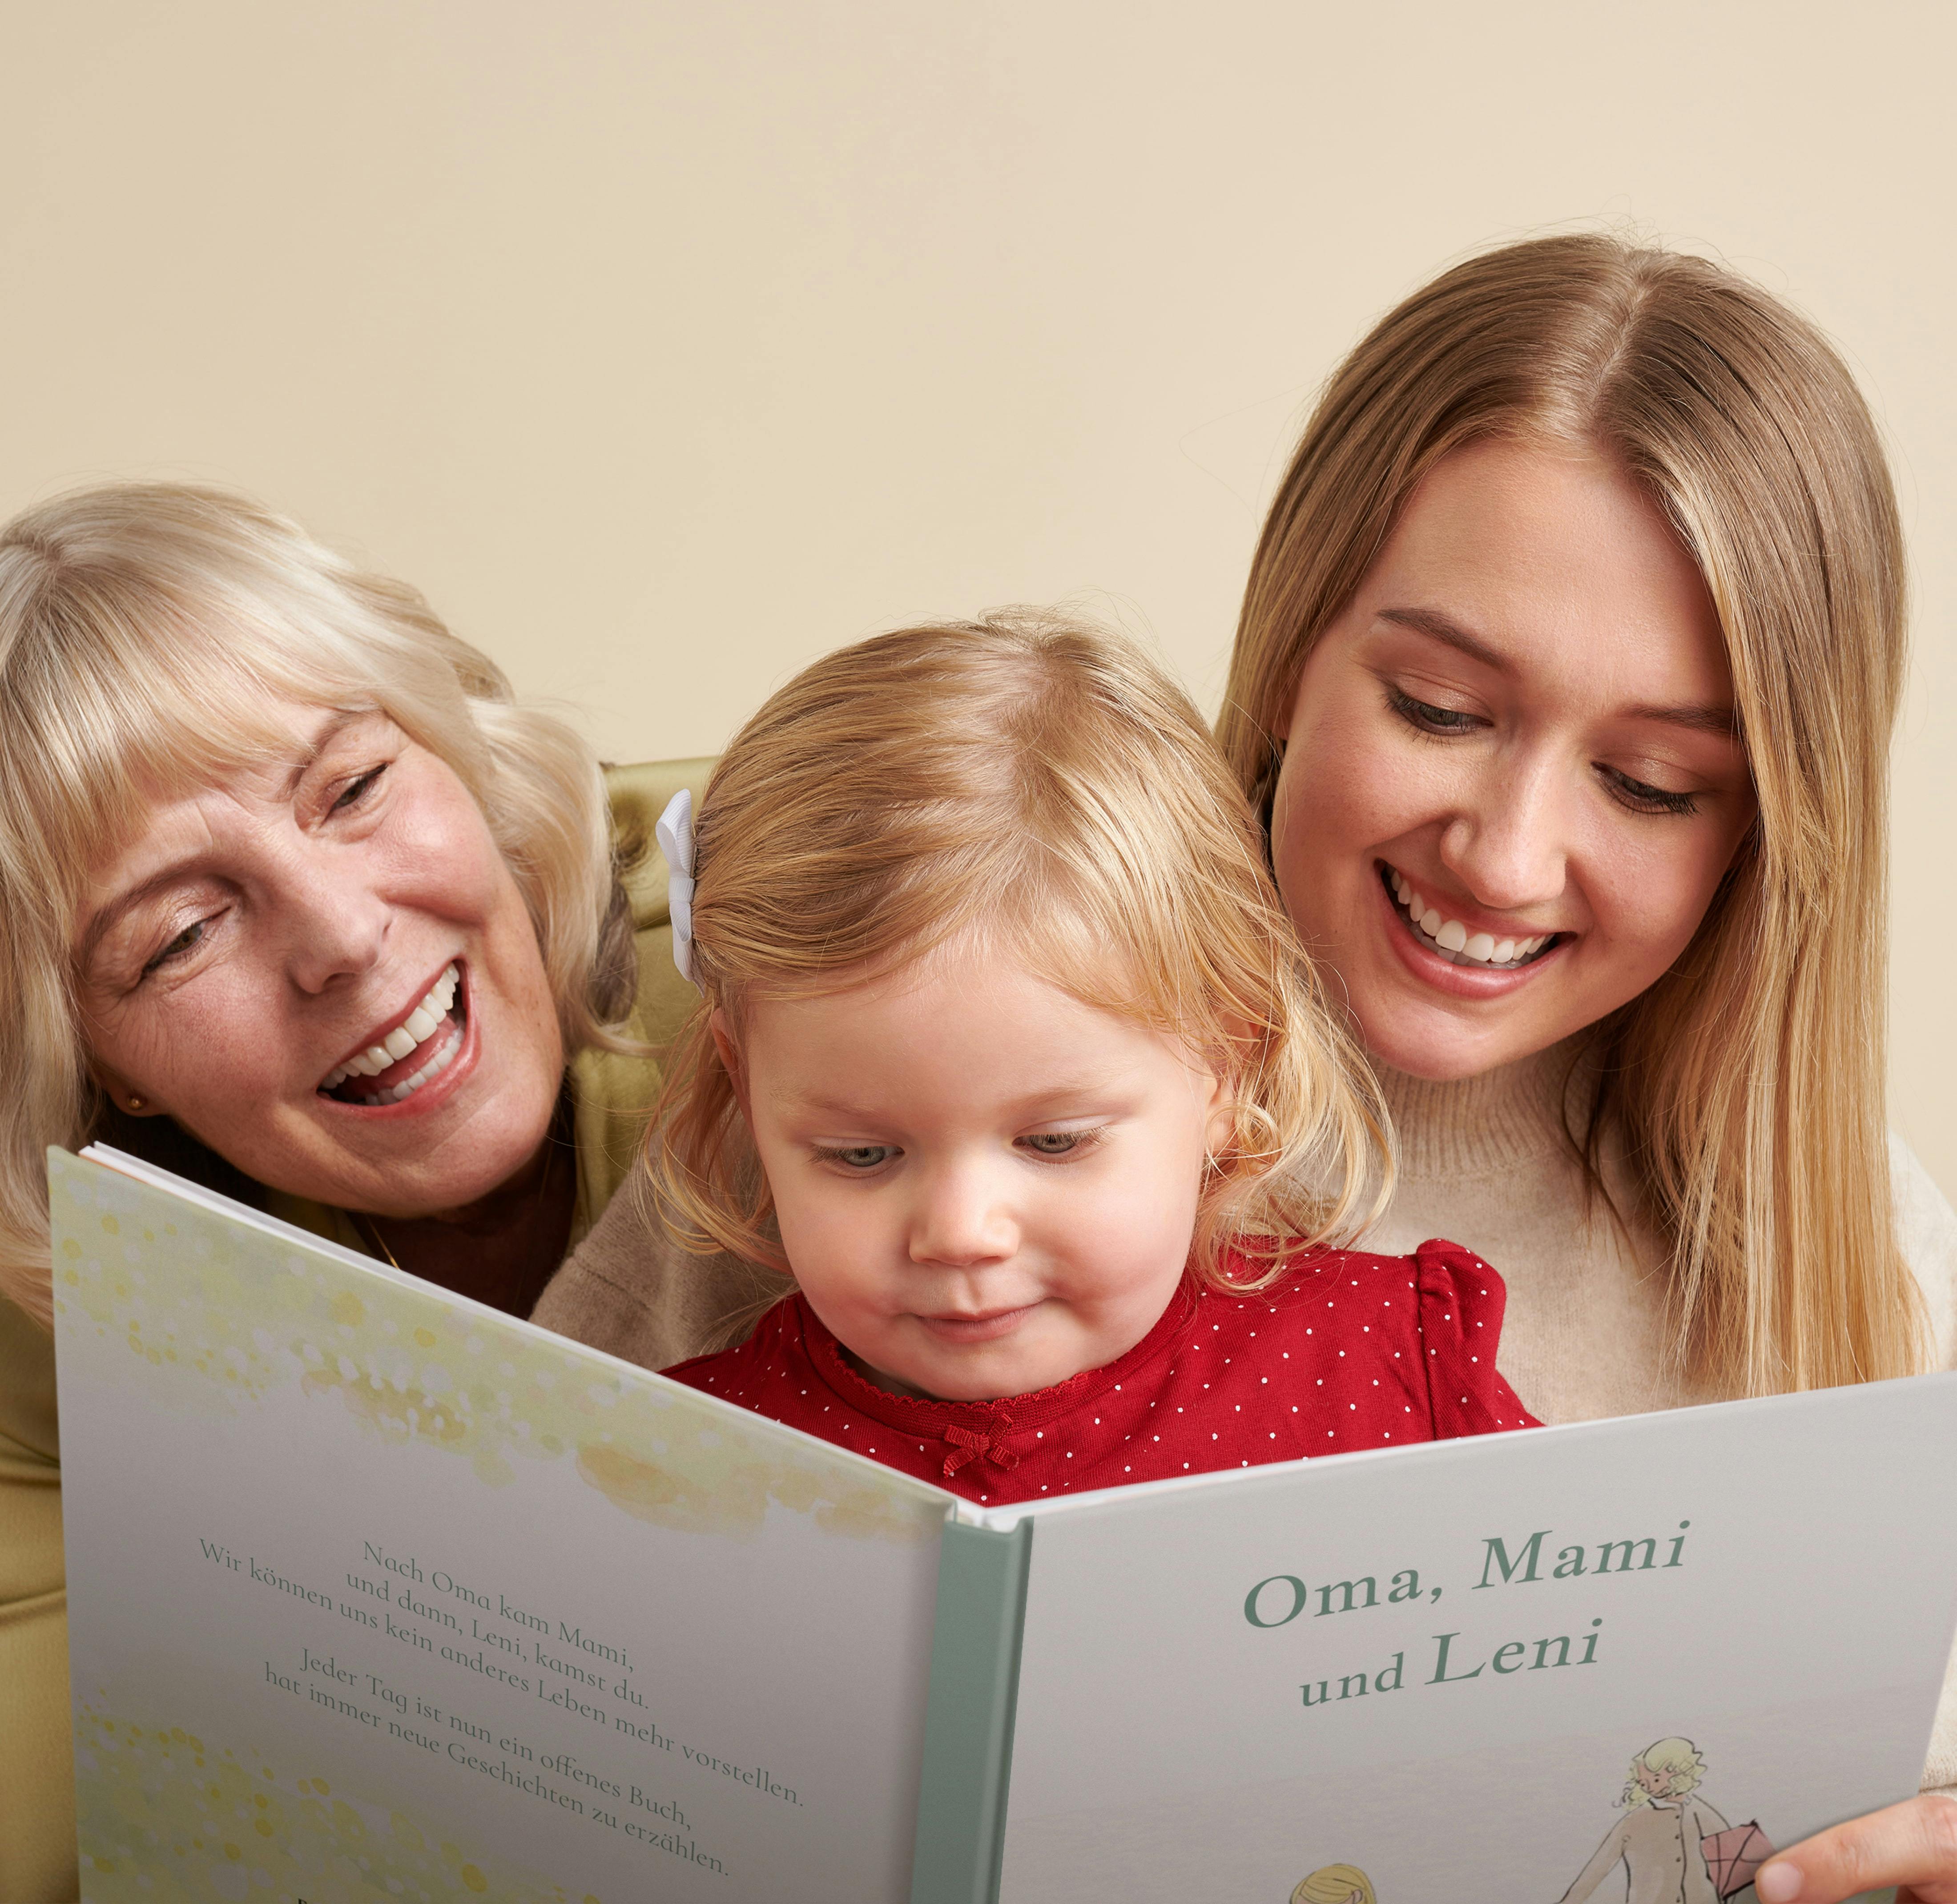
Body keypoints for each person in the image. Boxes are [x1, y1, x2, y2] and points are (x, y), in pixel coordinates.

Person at [1213, 234, 1957, 1899]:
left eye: (1653, 785)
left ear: (1764, 839)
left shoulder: (1844, 1252)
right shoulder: (935, 1077)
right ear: (1287, 655)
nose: (1509, 855)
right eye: (1439, 705)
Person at [0, 483, 761, 1900]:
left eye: (352, 788)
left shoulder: (793, 949)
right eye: (180, 933)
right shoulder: (52, 1280)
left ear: (463, 757)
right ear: (98, 1066)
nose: (342, 935)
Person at [642, 613, 1537, 1499]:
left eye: (1055, 1142)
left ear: (1227, 1064)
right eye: (862, 1155)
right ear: (747, 1086)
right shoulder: (670, 1462)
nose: (960, 1234)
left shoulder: (1389, 1376)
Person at [1556, 1738, 1731, 1904]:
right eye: (1642, 1783)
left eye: (1656, 1779)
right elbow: (1598, 1868)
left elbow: (1732, 1855)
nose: (1649, 1787)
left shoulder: (1699, 1811)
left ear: (1678, 1771)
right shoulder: (1635, 1821)